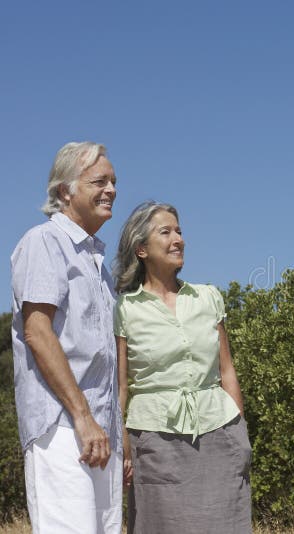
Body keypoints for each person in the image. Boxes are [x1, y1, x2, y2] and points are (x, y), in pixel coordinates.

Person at [113, 201, 251, 533]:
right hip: (155, 441)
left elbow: (227, 370)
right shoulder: (125, 309)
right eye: (166, 232)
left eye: (179, 231)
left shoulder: (208, 297)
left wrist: (241, 431)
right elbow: (120, 386)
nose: (178, 239)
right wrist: (123, 446)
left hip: (220, 432)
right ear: (142, 249)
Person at [11, 141, 123, 533]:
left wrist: (115, 434)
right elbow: (37, 332)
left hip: (100, 431)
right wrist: (82, 416)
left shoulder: (98, 265)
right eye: (99, 181)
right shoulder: (44, 242)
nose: (111, 189)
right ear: (65, 190)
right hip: (63, 425)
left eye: (113, 181)